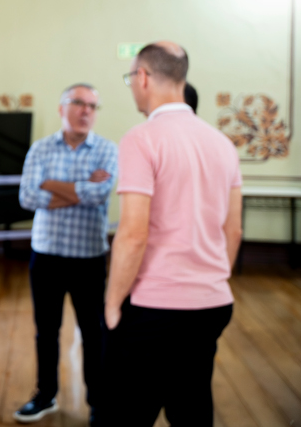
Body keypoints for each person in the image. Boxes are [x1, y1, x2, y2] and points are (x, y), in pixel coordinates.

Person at [105, 42, 242, 426]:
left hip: (155, 307)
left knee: (127, 413)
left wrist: (113, 304)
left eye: (131, 77)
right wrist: (212, 280)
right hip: (212, 303)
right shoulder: (223, 144)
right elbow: (233, 228)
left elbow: (133, 234)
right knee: (191, 406)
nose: (132, 85)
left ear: (143, 77)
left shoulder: (141, 139)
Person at [15, 84, 118, 425]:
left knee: (94, 333)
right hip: (46, 257)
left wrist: (52, 185)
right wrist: (79, 187)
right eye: (78, 103)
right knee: (46, 331)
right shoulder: (41, 148)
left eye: (92, 105)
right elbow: (27, 197)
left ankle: (99, 404)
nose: (86, 110)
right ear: (62, 108)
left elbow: (99, 194)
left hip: (89, 257)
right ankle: (45, 396)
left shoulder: (106, 149)